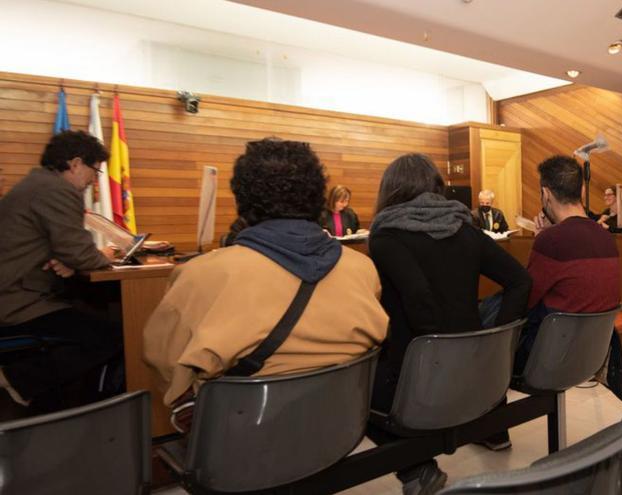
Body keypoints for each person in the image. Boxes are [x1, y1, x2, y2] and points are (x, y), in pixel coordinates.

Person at [143, 138, 388, 411]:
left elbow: (167, 372)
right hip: (340, 427)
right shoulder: (363, 269)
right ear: (318, 196)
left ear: (242, 198)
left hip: (240, 436)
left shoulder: (199, 276)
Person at [368, 153, 530, 495]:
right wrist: (498, 342)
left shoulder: (386, 238)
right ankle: (494, 430)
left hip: (415, 377)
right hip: (475, 373)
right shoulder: (466, 230)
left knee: (354, 389)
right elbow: (520, 281)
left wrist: (437, 354)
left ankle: (415, 469)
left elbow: (418, 297)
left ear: (391, 190)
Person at [0, 130, 121, 411]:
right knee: (111, 335)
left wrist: (67, 258)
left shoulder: (36, 183)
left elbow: (65, 250)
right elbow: (82, 254)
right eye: (95, 171)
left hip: (19, 291)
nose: (94, 180)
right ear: (76, 163)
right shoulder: (57, 190)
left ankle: (47, 396)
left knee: (91, 321)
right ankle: (16, 379)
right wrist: (99, 255)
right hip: (15, 301)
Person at [525, 156, 621, 369]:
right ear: (582, 192)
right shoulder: (607, 237)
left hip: (552, 353)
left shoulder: (551, 241)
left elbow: (526, 299)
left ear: (546, 194)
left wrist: (541, 239)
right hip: (594, 351)